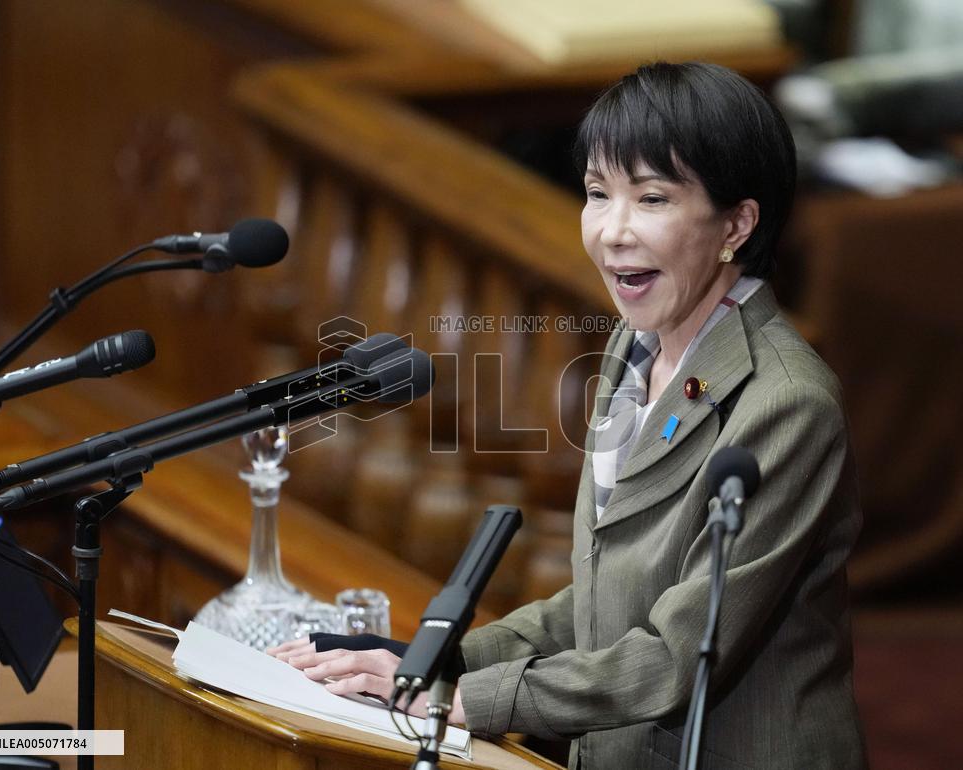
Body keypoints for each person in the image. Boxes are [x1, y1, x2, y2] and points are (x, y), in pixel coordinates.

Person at [269, 62, 866, 769]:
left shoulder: (787, 403)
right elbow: (603, 599)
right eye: (596, 194)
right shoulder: (634, 349)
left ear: (737, 222)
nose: (612, 231)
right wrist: (430, 658)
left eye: (650, 198)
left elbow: (677, 656)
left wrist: (473, 700)